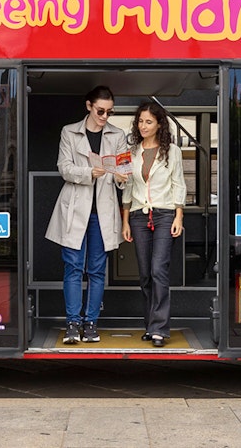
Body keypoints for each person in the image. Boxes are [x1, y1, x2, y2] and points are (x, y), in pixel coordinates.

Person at [45, 85, 128, 344]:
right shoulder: (69, 132)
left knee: (97, 270)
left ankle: (91, 323)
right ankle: (72, 323)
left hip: (102, 212)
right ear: (89, 106)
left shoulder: (118, 135)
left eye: (109, 112)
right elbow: (64, 168)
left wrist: (122, 177)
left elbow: (124, 172)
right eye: (101, 110)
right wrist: (87, 173)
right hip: (74, 209)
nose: (105, 116)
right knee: (72, 268)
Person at [121, 102, 186, 348]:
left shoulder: (173, 151)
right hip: (138, 215)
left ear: (159, 124)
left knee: (160, 268)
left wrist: (179, 216)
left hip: (165, 214)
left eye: (149, 121)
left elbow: (179, 184)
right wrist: (125, 220)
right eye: (140, 121)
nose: (143, 126)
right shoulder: (132, 152)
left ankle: (160, 328)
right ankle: (150, 324)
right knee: (145, 273)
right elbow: (127, 187)